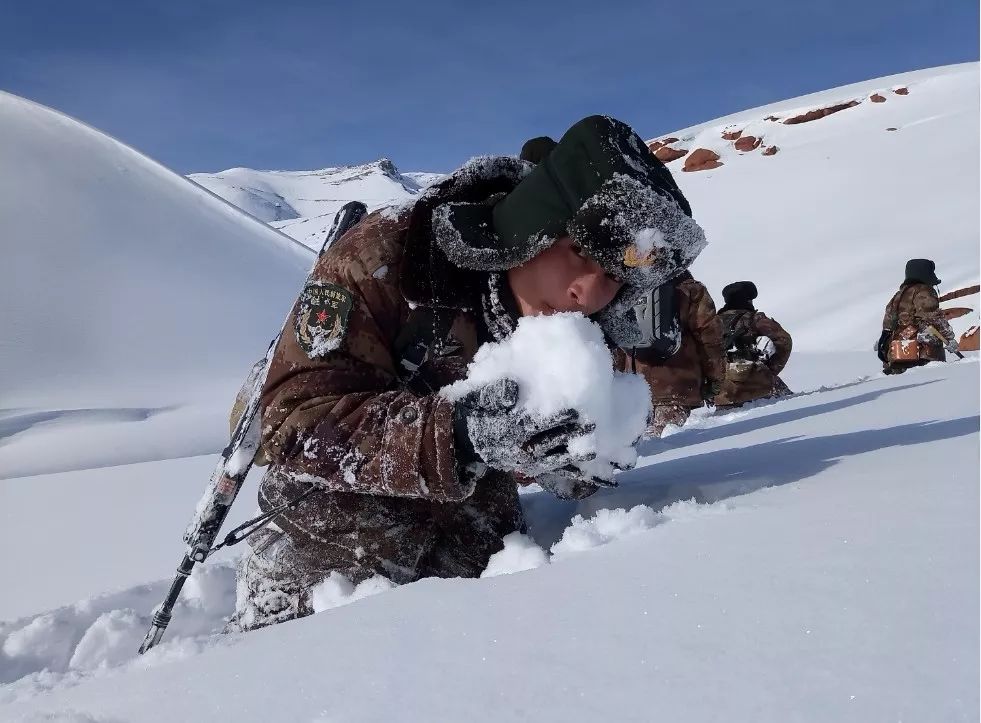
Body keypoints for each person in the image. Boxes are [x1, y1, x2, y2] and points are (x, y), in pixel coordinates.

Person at [229, 115, 707, 631]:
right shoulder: (392, 255)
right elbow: (290, 423)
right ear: (536, 223)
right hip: (327, 524)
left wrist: (561, 459)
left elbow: (528, 452)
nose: (589, 293)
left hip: (469, 522)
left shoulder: (587, 320)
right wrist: (460, 432)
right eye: (579, 253)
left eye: (613, 276)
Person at [615, 272, 725, 436]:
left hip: (634, 391)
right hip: (677, 386)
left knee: (647, 451)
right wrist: (716, 378)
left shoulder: (626, 288)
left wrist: (618, 383)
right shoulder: (691, 289)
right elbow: (710, 339)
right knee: (671, 446)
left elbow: (617, 342)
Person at [714, 281, 792, 407]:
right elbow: (784, 340)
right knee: (792, 402)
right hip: (755, 387)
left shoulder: (712, 323)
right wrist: (771, 369)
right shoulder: (754, 319)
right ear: (748, 300)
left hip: (722, 394)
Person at [877, 259, 957, 375]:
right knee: (931, 380)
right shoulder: (924, 291)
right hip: (921, 349)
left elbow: (888, 325)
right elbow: (933, 318)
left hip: (897, 350)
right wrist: (949, 338)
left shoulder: (898, 295)